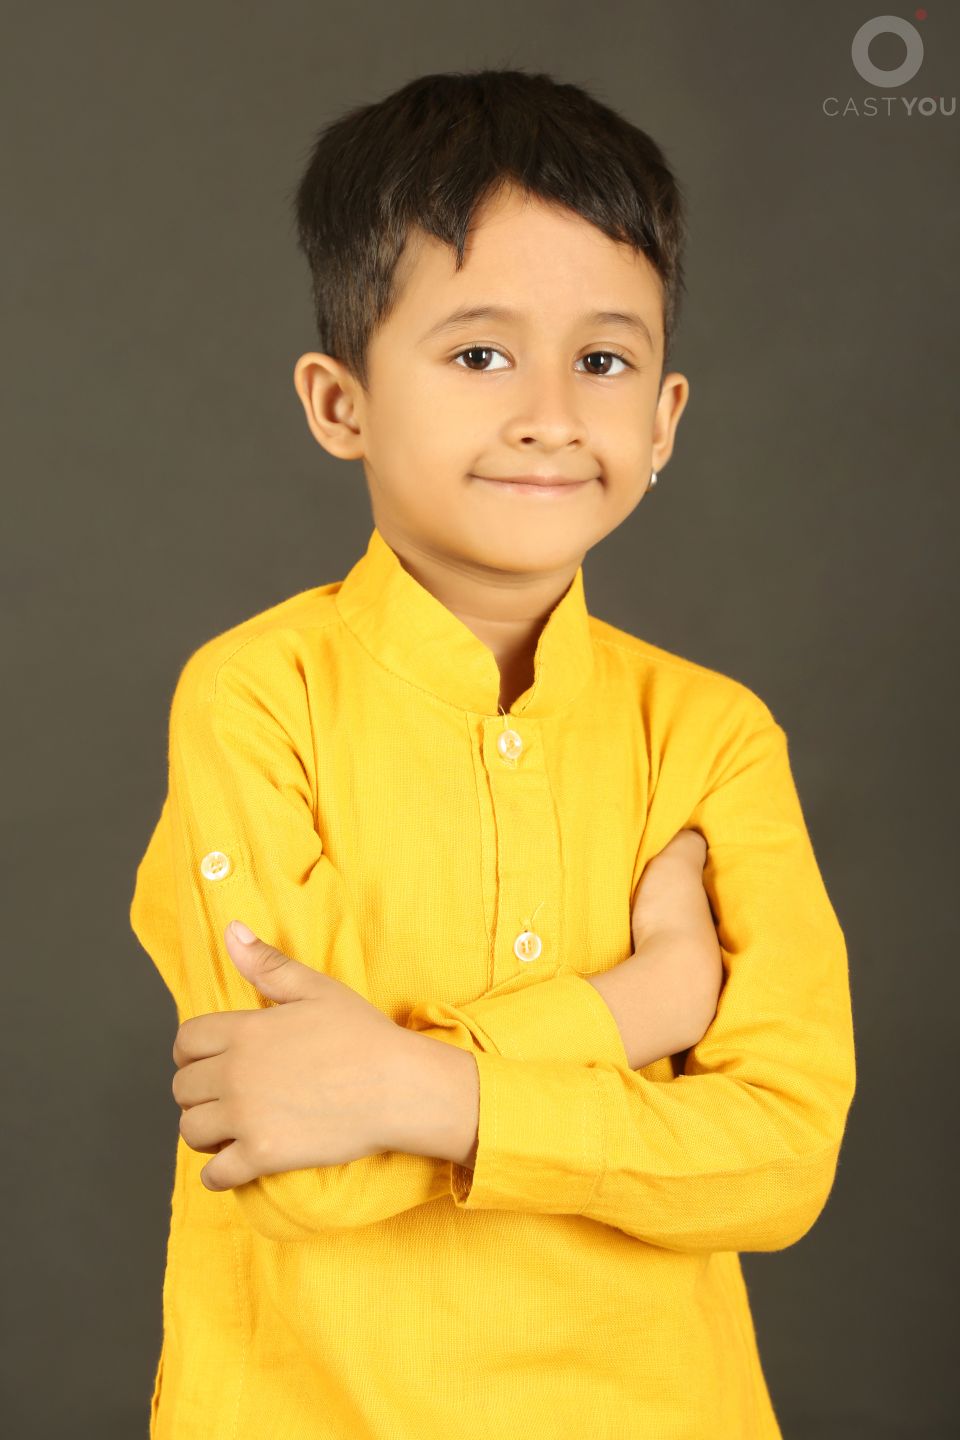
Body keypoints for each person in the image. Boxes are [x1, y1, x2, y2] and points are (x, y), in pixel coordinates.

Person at [130, 67, 856, 1440]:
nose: (551, 414)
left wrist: (413, 1088)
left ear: (665, 417)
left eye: (604, 361)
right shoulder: (255, 698)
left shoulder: (711, 737)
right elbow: (301, 1166)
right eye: (478, 356)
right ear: (339, 403)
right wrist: (632, 1013)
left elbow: (780, 1165)